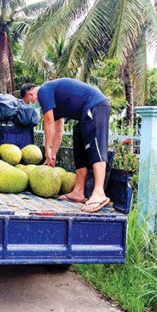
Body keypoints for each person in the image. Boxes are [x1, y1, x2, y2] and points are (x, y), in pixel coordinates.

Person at [20, 78, 111, 213]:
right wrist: (53, 154)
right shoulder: (52, 99)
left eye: (31, 101)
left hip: (96, 105)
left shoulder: (44, 90)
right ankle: (78, 192)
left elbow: (48, 121)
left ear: (30, 95)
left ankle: (99, 192)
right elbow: (59, 129)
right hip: (84, 115)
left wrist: (47, 150)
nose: (35, 103)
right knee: (79, 145)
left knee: (96, 148)